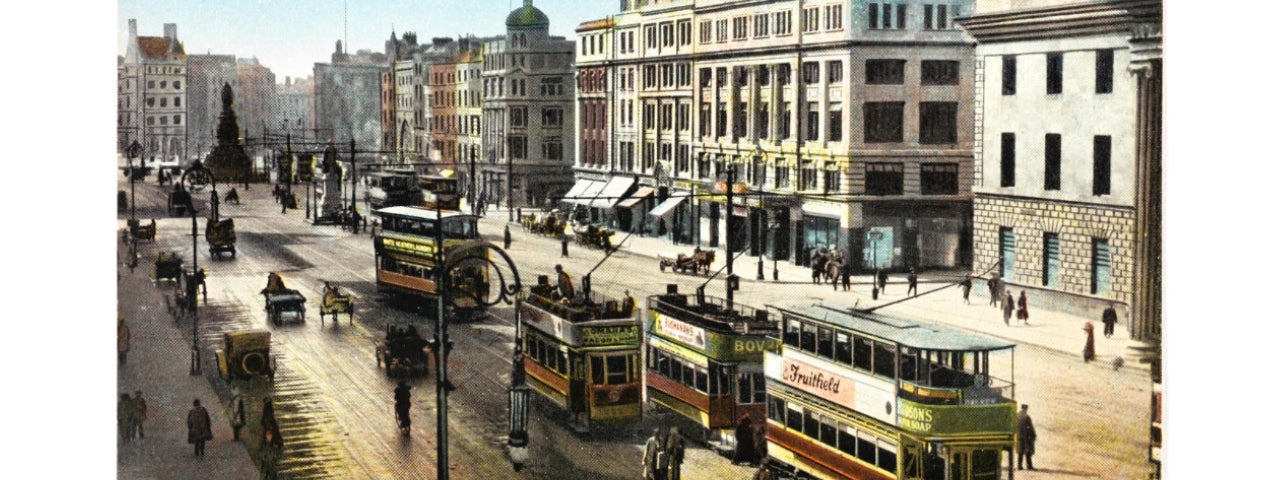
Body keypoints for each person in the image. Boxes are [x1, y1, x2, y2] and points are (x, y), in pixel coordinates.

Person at [1016, 404, 1037, 470]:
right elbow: (1030, 427)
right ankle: (1029, 466)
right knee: (1028, 452)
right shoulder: (1027, 417)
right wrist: (1033, 435)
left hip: (1019, 436)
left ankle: (1019, 466)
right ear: (1026, 409)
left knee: (1020, 452)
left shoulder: (1017, 416)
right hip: (1026, 436)